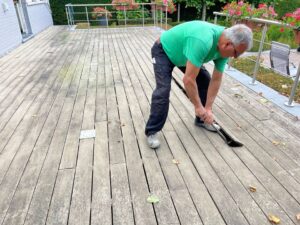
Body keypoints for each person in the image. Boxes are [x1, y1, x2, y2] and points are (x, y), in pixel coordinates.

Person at [145, 21, 253, 149]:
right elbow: (188, 80)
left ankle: (202, 119)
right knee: (163, 90)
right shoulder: (203, 40)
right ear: (228, 44)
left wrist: (207, 108)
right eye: (236, 53)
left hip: (185, 54)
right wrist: (198, 106)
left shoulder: (225, 49)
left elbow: (216, 80)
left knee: (205, 81)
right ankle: (152, 131)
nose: (235, 57)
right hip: (164, 51)